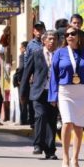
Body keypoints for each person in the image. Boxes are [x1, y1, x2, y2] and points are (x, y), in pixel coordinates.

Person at [49, 27, 84, 167]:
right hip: (65, 91)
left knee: (78, 126)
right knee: (67, 122)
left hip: (82, 91)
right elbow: (53, 75)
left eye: (73, 33)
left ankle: (75, 158)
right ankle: (65, 156)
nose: (69, 36)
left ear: (79, 36)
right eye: (67, 34)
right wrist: (53, 96)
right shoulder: (60, 52)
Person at [21, 31, 59, 159]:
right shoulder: (36, 54)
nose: (52, 41)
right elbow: (26, 74)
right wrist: (23, 93)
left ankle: (50, 150)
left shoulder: (59, 55)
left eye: (54, 39)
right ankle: (38, 145)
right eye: (50, 39)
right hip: (38, 92)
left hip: (53, 92)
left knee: (52, 121)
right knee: (41, 116)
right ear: (44, 41)